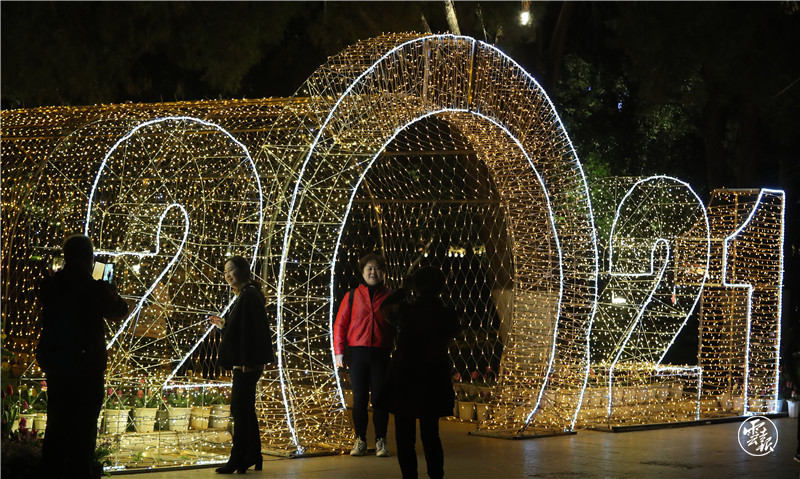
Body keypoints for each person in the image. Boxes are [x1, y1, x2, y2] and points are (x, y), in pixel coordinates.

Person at [37, 234, 129, 478]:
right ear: (90, 258)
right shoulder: (93, 287)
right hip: (86, 371)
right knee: (84, 433)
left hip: (57, 367)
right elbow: (120, 310)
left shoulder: (50, 285)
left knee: (55, 428)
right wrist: (105, 284)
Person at [379, 266, 460, 479]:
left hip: (406, 378)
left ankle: (410, 476)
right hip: (433, 377)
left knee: (404, 436)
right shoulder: (446, 314)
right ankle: (436, 475)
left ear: (416, 286)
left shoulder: (406, 311)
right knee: (431, 434)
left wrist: (403, 290)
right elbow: (454, 331)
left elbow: (385, 308)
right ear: (440, 287)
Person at [208, 256, 275, 474]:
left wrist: (249, 361)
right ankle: (252, 454)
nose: (227, 275)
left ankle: (239, 457)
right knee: (245, 410)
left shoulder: (249, 296)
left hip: (247, 364)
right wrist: (224, 325)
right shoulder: (246, 295)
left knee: (240, 409)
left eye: (231, 270)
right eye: (225, 271)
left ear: (243, 272)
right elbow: (242, 329)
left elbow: (253, 332)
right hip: (244, 362)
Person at [333, 253, 394, 457]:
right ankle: (360, 439)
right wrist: (339, 351)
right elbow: (340, 324)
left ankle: (380, 440)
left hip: (381, 353)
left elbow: (399, 325)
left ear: (383, 272)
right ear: (362, 271)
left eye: (377, 268)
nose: (373, 272)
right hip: (357, 353)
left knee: (380, 399)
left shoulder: (390, 296)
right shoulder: (352, 296)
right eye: (369, 268)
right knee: (359, 399)